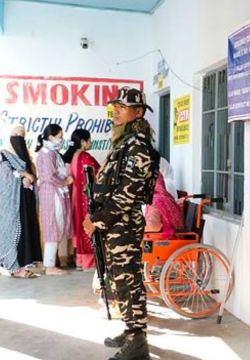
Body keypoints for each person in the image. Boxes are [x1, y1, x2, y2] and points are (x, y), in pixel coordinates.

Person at [83, 86, 159, 360]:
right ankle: (130, 330)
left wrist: (97, 220)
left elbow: (128, 193)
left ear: (137, 112)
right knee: (118, 279)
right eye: (113, 107)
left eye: (121, 107)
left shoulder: (138, 146)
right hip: (114, 225)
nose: (114, 111)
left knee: (129, 281)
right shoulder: (123, 143)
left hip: (123, 224)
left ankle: (138, 341)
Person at [0, 126, 41, 279]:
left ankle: (22, 265)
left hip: (26, 201)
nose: (19, 137)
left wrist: (30, 177)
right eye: (16, 134)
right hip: (12, 202)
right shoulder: (4, 154)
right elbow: (3, 176)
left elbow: (34, 174)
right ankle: (14, 268)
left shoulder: (27, 155)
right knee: (14, 233)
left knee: (26, 232)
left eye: (22, 135)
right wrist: (21, 174)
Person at [36, 124, 73, 276]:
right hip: (52, 193)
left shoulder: (52, 152)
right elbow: (49, 176)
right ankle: (49, 265)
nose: (61, 139)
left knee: (56, 227)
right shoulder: (47, 153)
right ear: (51, 137)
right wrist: (66, 182)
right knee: (53, 227)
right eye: (59, 136)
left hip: (54, 192)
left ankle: (50, 262)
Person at [63, 129, 100, 271]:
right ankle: (88, 262)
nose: (90, 143)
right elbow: (97, 173)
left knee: (80, 225)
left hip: (76, 196)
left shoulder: (73, 156)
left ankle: (80, 261)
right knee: (87, 225)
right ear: (83, 142)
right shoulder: (85, 156)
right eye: (89, 140)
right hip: (85, 196)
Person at [144, 172, 184, 236]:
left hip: (167, 240)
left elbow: (153, 227)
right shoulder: (167, 196)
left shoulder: (154, 202)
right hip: (178, 236)